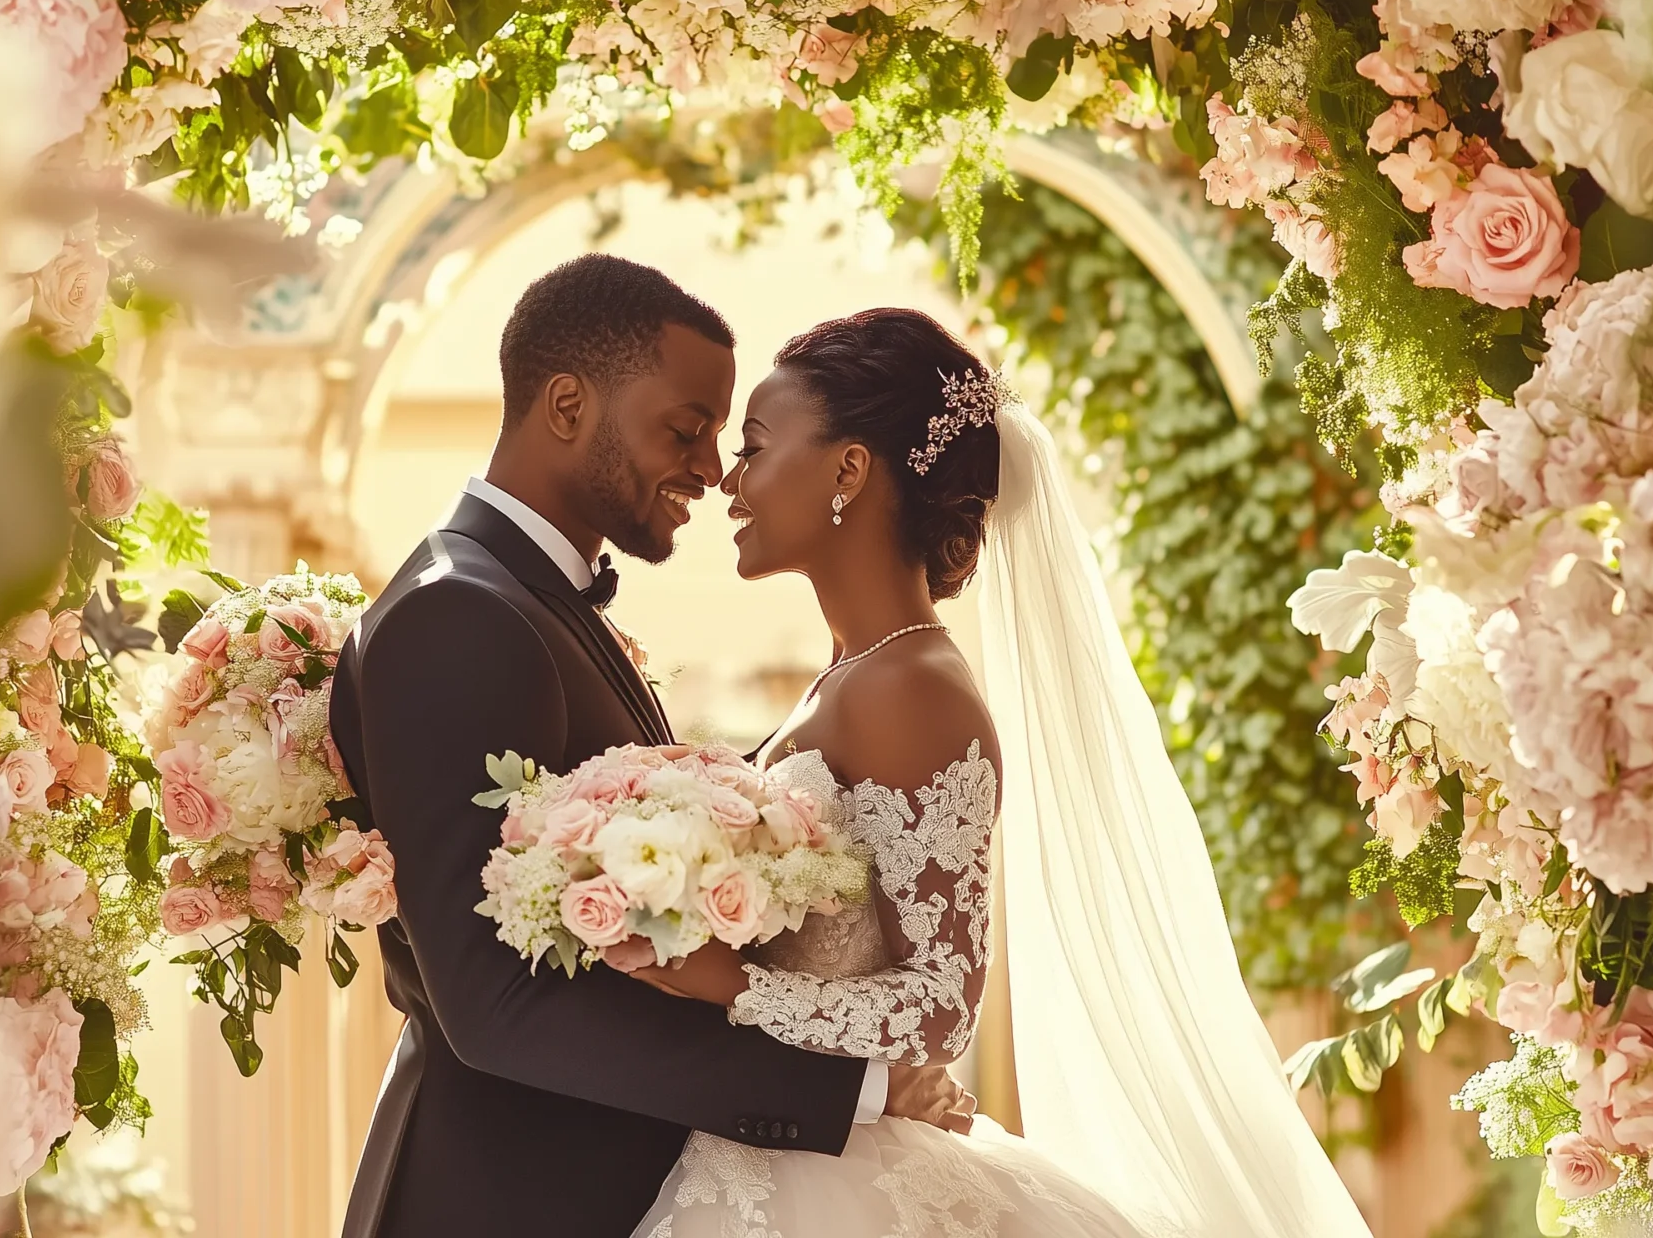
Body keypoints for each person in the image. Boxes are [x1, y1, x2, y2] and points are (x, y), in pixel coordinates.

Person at [624, 309, 1376, 1238]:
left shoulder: (912, 690)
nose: (730, 480)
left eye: (757, 447)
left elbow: (941, 1004)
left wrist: (729, 986)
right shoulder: (855, 674)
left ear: (849, 472)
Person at [325, 259, 972, 1238]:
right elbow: (496, 1001)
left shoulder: (534, 602)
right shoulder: (462, 611)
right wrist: (853, 1088)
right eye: (687, 427)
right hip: (514, 1195)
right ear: (569, 403)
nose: (712, 469)